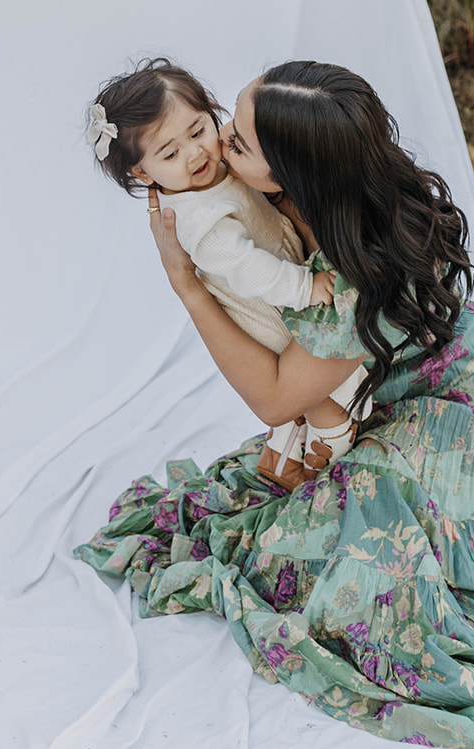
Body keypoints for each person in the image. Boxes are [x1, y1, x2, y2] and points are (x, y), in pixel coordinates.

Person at [75, 61, 474, 749]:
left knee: (347, 544)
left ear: (292, 170)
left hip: (447, 410)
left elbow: (272, 396)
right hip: (382, 391)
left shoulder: (349, 269)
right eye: (231, 125)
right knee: (287, 492)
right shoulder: (290, 200)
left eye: (234, 139)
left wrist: (185, 287)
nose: (217, 147)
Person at [85, 58, 369, 484]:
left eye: (198, 131)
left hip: (275, 287)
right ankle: (328, 443)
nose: (195, 153)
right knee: (327, 392)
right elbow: (249, 270)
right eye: (171, 152)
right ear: (143, 172)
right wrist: (306, 288)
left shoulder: (212, 175)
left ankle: (283, 453)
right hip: (268, 309)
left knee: (303, 393)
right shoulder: (201, 220)